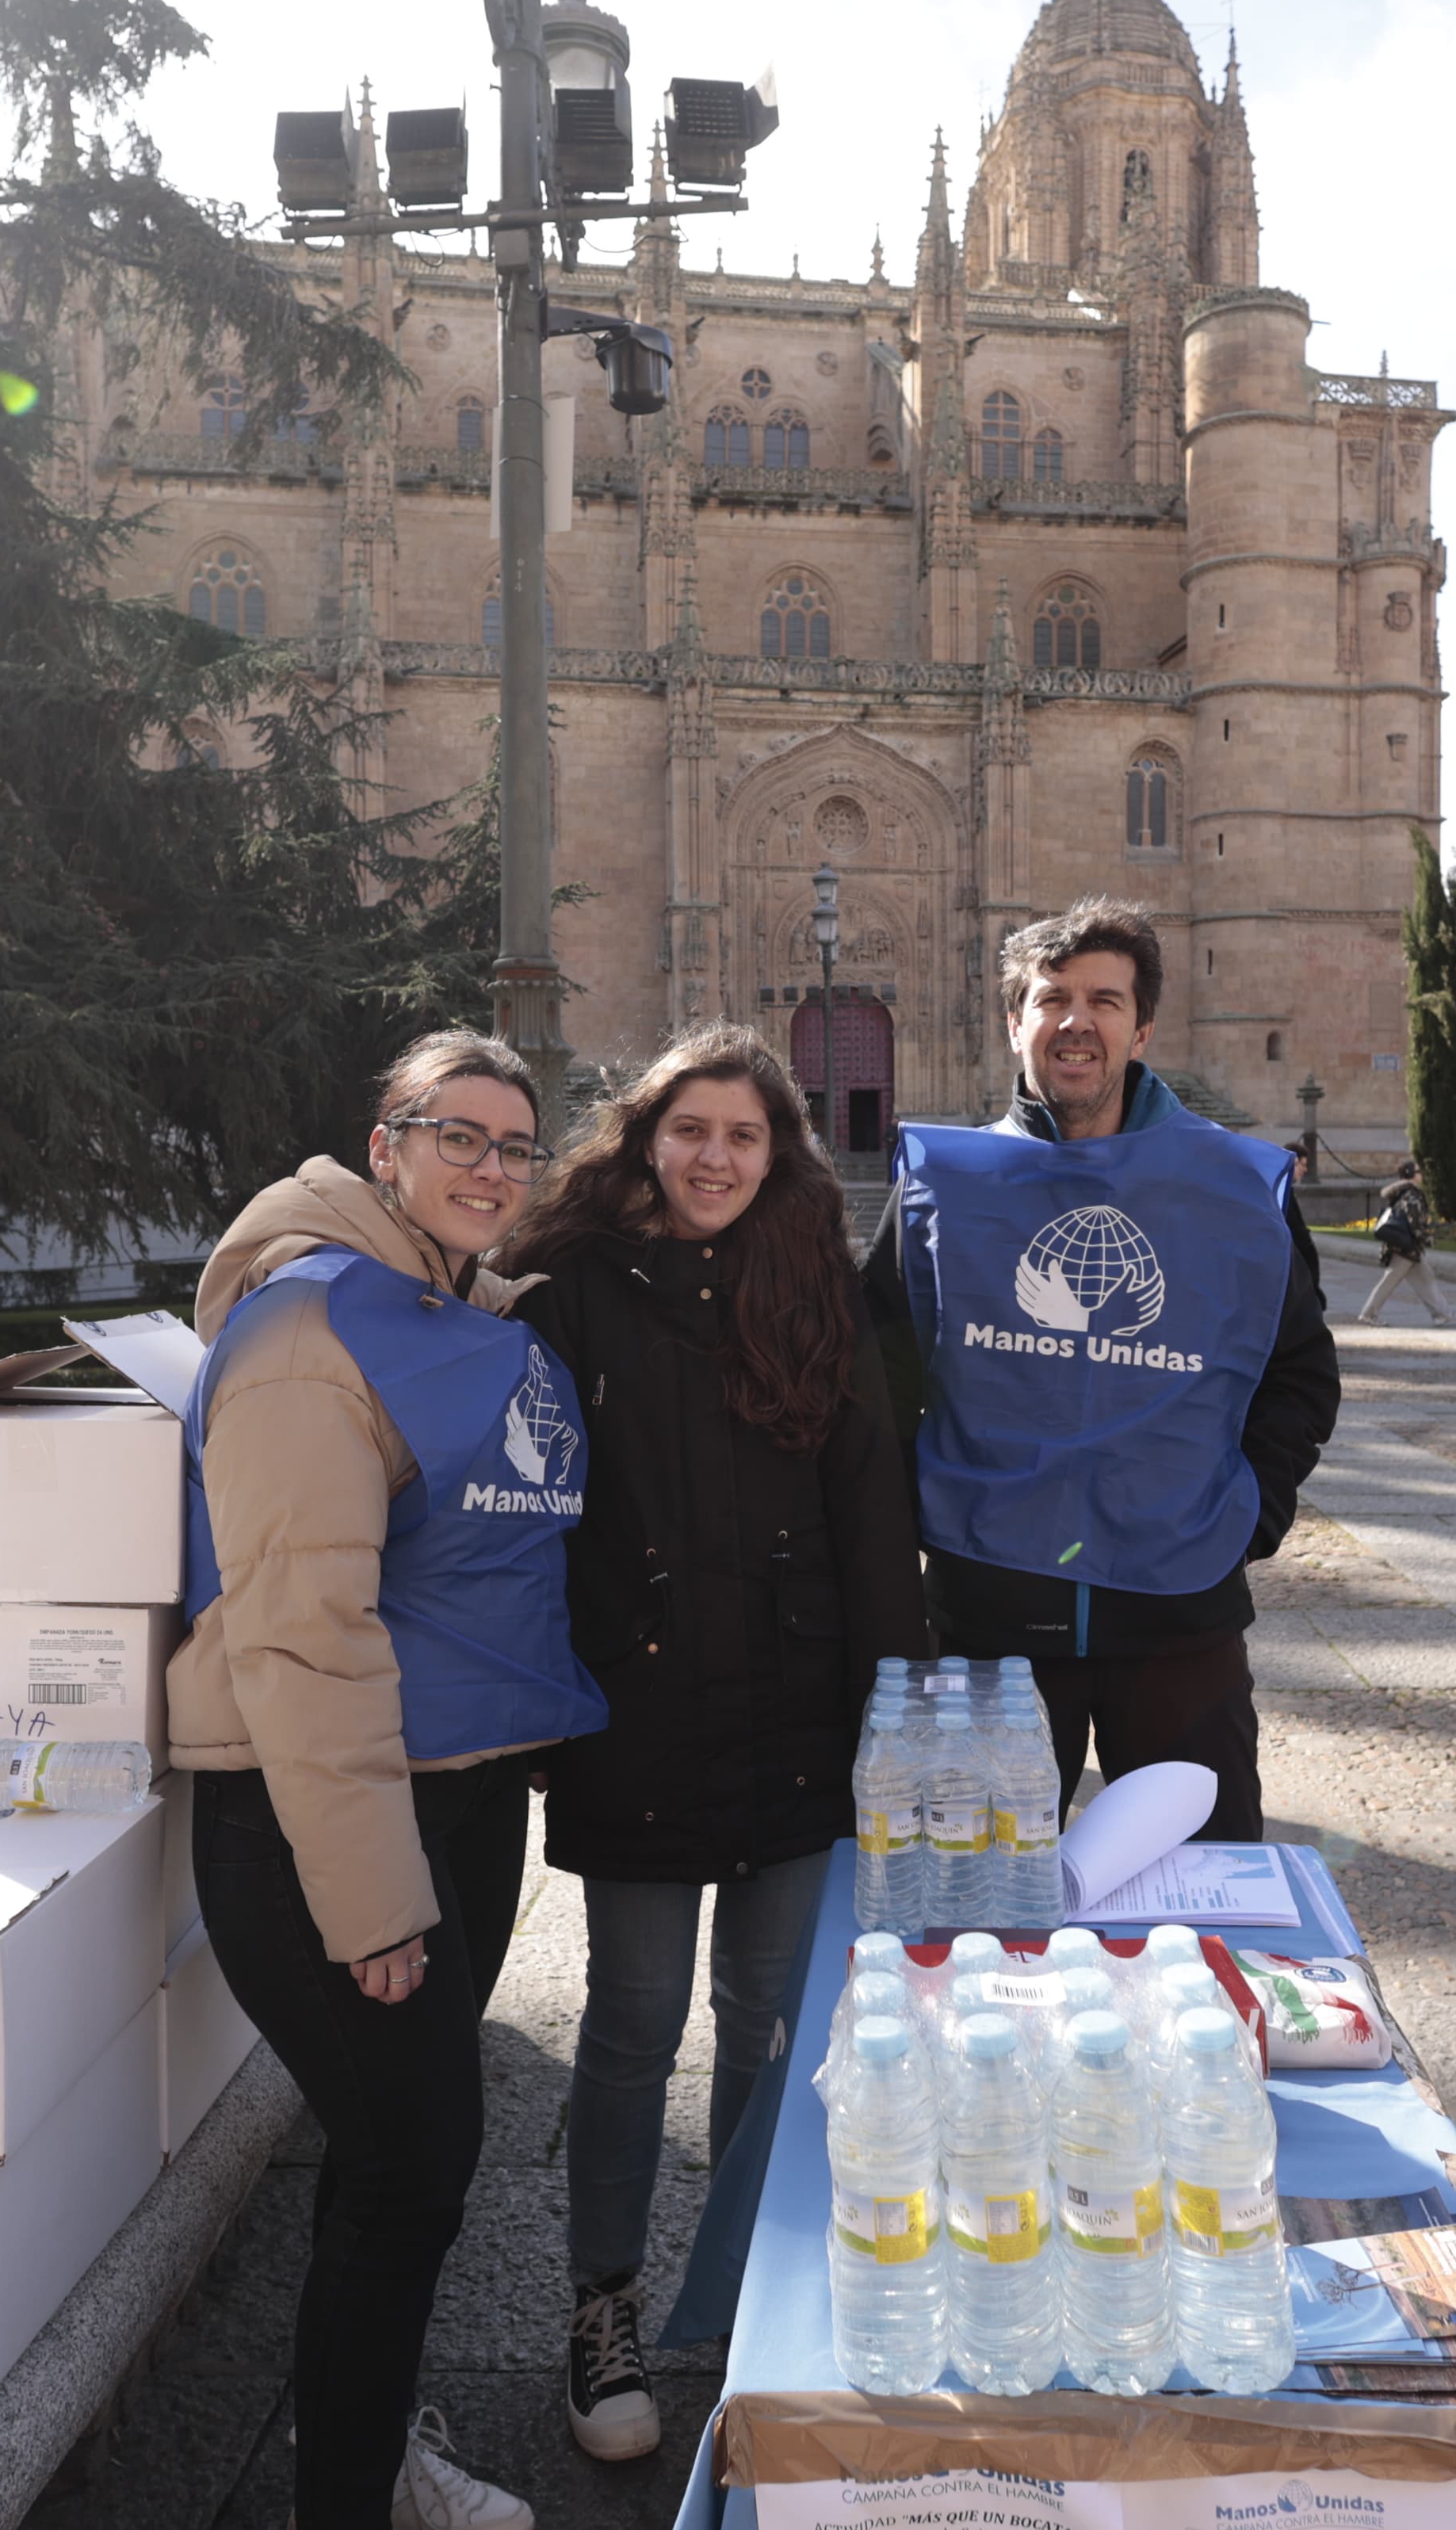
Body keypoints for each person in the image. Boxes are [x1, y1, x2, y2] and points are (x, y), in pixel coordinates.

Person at [170, 1030, 606, 2530]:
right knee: (413, 2164)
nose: (491, 1166)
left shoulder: (454, 1311)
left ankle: (369, 2449)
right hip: (330, 1827)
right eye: (456, 1135)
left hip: (457, 1799)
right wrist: (369, 1900)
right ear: (385, 1148)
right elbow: (302, 1633)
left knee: (397, 2166)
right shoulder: (311, 1330)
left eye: (513, 1145)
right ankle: (348, 2499)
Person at [495, 1026, 924, 2463]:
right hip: (641, 1707)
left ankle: (747, 2303)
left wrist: (893, 1703)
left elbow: (871, 1501)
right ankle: (603, 2304)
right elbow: (519, 1503)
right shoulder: (569, 1290)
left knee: (772, 2019)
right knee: (629, 2021)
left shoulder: (811, 1279)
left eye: (744, 1135)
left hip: (797, 1710)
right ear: (645, 1136)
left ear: (780, 1151)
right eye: (691, 1130)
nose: (716, 1159)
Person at [863, 899, 1338, 1842]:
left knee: (1196, 1903)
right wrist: (925, 1513)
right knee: (977, 1910)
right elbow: (874, 1372)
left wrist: (1248, 1514)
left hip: (1177, 1616)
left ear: (1142, 1025)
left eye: (1104, 999)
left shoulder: (1236, 1188)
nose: (1076, 1020)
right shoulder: (941, 1186)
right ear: (1014, 1021)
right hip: (987, 1623)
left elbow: (1298, 1375)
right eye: (1052, 998)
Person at [1358, 1156, 1456, 1326]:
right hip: (1406, 1248)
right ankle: (1368, 1314)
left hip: (1407, 1247)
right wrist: (1426, 1237)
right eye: (1419, 1171)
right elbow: (1415, 1221)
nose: (1421, 1175)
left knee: (1426, 1278)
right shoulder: (1412, 1194)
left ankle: (1441, 1314)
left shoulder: (1401, 1193)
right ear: (1412, 1174)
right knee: (1389, 1281)